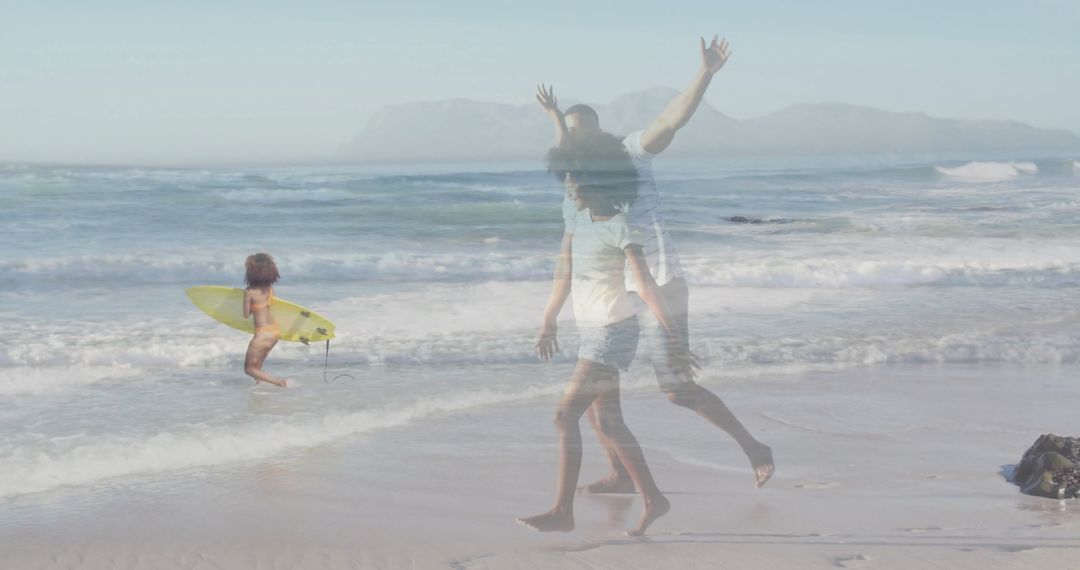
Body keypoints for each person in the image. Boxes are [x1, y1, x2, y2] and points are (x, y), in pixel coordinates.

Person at [535, 36, 774, 490]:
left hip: (657, 282)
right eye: (571, 133)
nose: (576, 140)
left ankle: (755, 448)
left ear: (600, 134)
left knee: (676, 388)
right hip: (610, 298)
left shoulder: (629, 153)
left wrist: (705, 73)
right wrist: (554, 119)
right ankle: (621, 475)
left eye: (584, 131)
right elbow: (567, 254)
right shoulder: (575, 187)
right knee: (603, 400)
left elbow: (669, 120)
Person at [518, 134, 686, 536]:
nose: (569, 188)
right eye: (567, 180)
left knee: (564, 415)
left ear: (598, 182)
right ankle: (654, 499)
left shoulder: (622, 228)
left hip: (614, 332)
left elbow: (645, 285)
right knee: (608, 423)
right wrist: (549, 319)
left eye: (576, 182)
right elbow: (564, 275)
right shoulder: (579, 223)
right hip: (590, 329)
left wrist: (674, 335)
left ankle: (562, 511)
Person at [242, 253, 288, 388]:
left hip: (262, 335)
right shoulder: (270, 289)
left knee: (249, 369)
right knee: (258, 366)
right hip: (274, 332)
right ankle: (259, 388)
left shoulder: (249, 292)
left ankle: (280, 382)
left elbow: (245, 315)